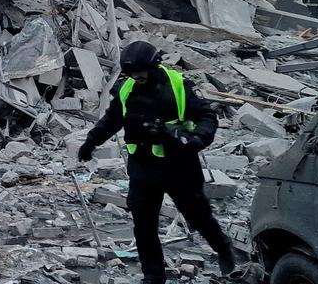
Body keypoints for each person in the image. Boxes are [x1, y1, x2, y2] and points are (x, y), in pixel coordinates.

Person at [78, 41, 235, 283]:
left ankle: (223, 248)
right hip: (143, 169)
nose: (137, 77)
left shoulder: (178, 85)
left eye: (141, 71)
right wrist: (91, 142)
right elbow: (111, 119)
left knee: (197, 216)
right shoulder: (126, 88)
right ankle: (153, 276)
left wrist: (198, 139)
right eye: (132, 73)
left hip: (180, 167)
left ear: (153, 65)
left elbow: (206, 116)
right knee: (143, 224)